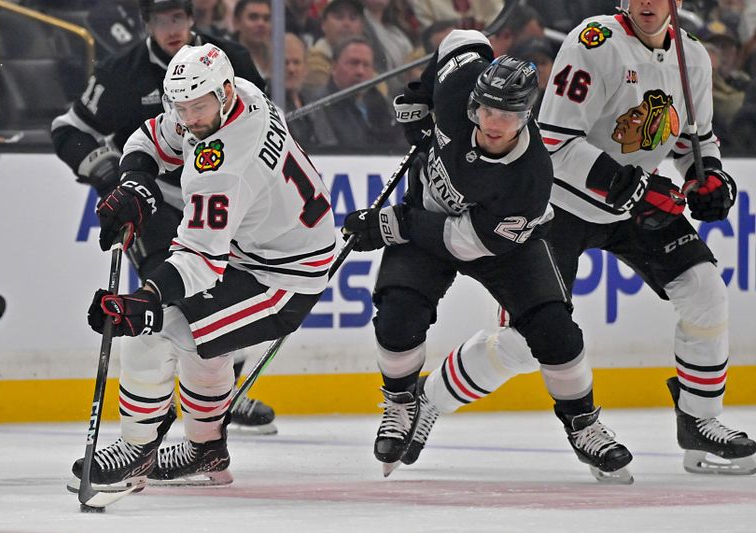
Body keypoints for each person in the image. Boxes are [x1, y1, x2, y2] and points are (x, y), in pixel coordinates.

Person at [404, 0, 756, 477]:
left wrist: (707, 175)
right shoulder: (594, 43)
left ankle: (700, 420)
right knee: (524, 343)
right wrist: (630, 184)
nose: (647, 3)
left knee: (705, 291)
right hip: (557, 206)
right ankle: (428, 400)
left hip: (631, 202)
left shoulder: (692, 55)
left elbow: (694, 137)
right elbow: (553, 141)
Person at [342, 29, 633, 481]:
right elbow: (464, 38)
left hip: (500, 244)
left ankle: (582, 424)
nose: (495, 123)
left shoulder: (531, 177)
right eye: (487, 110)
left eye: (509, 114)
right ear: (473, 104)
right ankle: (401, 402)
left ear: (527, 115)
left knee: (554, 329)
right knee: (397, 315)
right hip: (430, 217)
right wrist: (422, 92)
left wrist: (393, 224)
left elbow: (468, 241)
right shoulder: (459, 86)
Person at [69, 43, 336, 490]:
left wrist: (146, 299)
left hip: (283, 276)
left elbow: (200, 260)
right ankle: (206, 450)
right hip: (261, 249)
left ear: (224, 92)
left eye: (198, 107)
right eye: (181, 107)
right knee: (201, 341)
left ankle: (136, 449)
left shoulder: (225, 169)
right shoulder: (239, 94)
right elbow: (150, 138)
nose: (189, 119)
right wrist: (135, 182)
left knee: (153, 332)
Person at [50, 0, 277, 435]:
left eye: (178, 17)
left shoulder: (229, 60)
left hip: (221, 197)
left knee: (227, 293)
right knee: (168, 291)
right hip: (155, 199)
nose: (171, 28)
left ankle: (224, 394)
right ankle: (159, 403)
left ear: (191, 18)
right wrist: (110, 173)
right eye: (160, 20)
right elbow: (68, 128)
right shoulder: (120, 72)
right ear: (146, 23)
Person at [312, 36, 402, 150]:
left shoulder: (382, 102)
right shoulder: (319, 105)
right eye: (353, 63)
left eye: (366, 65)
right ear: (334, 67)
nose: (360, 71)